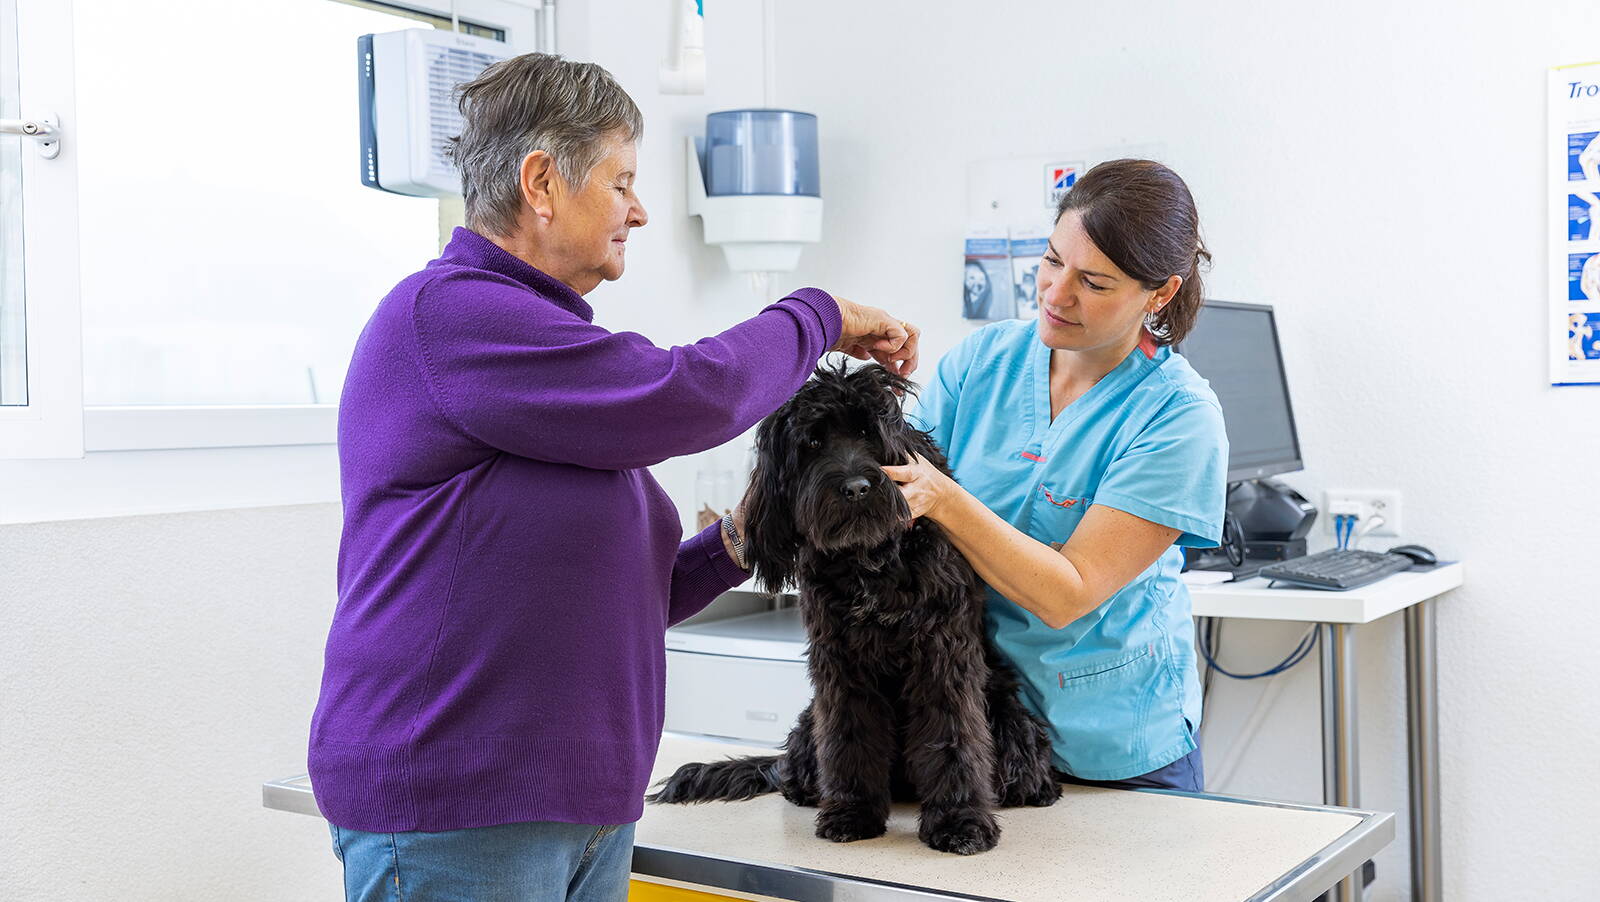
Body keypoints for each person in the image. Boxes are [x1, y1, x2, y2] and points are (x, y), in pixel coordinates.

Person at [307, 53, 920, 902]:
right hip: (459, 813)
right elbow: (690, 393)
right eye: (622, 180)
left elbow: (626, 591)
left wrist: (741, 540)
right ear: (542, 182)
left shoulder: (546, 361)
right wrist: (819, 315)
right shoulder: (449, 316)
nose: (639, 209)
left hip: (582, 810)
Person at [886, 159, 1226, 792]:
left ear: (1160, 294)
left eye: (1094, 283)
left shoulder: (1178, 417)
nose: (1055, 293)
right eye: (1050, 261)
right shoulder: (980, 364)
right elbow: (900, 502)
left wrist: (944, 500)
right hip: (972, 729)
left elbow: (1067, 593)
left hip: (1110, 744)